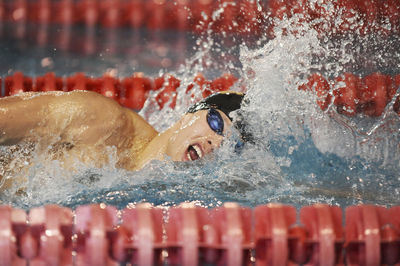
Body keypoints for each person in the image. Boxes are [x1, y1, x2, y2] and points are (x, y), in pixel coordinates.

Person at [0, 90, 245, 182]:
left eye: (230, 147)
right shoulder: (101, 121)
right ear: (190, 113)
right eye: (216, 123)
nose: (217, 142)